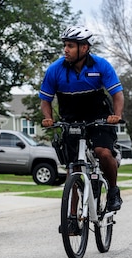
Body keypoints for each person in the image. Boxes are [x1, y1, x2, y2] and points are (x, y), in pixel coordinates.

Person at [39, 25, 124, 212]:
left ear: (84, 48)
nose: (65, 50)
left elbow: (117, 94)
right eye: (65, 45)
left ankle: (113, 190)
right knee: (74, 169)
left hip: (98, 117)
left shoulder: (101, 66)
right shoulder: (55, 69)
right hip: (71, 120)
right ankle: (72, 219)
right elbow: (45, 99)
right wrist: (48, 117)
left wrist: (116, 115)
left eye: (70, 45)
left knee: (103, 152)